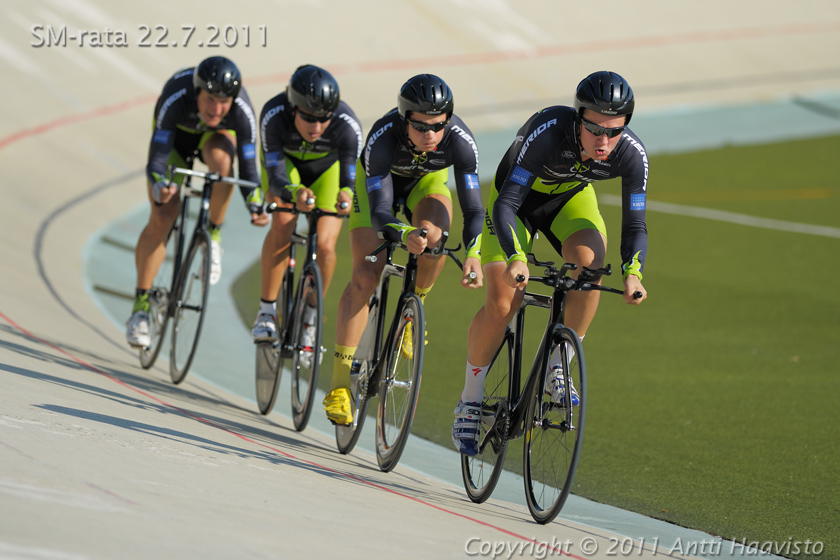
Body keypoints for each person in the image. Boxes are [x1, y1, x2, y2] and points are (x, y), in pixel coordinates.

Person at [451, 70, 649, 456]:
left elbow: (635, 223)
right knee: (503, 302)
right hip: (516, 205)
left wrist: (633, 273)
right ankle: (470, 399)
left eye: (615, 130)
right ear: (579, 120)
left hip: (569, 201)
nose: (604, 141)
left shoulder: (631, 154)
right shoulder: (548, 132)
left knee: (591, 268)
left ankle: (558, 365)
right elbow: (507, 203)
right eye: (594, 130)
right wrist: (515, 258)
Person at [322, 73, 485, 425]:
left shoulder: (460, 140)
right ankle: (338, 385)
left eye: (438, 126)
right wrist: (403, 233)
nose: (430, 134)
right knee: (366, 274)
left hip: (425, 185)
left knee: (435, 238)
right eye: (421, 126)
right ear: (404, 119)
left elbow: (474, 210)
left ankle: (414, 311)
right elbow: (381, 212)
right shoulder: (383, 137)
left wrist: (474, 252)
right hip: (379, 190)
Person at [126, 56, 268, 348]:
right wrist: (159, 188)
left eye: (223, 102)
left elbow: (250, 171)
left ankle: (212, 234)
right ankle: (140, 309)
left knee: (224, 165)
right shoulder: (176, 97)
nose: (217, 109)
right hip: (176, 142)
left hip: (213, 140)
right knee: (163, 217)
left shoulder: (241, 109)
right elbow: (157, 160)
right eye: (210, 101)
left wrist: (255, 204)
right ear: (197, 92)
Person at [250, 65, 363, 365]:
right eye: (309, 118)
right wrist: (293, 193)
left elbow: (350, 178)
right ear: (292, 108)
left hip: (327, 171)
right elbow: (274, 175)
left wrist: (346, 195)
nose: (317, 126)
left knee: (326, 246)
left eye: (323, 118)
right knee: (284, 223)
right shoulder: (274, 115)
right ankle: (266, 311)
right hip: (286, 170)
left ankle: (310, 318)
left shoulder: (347, 123)